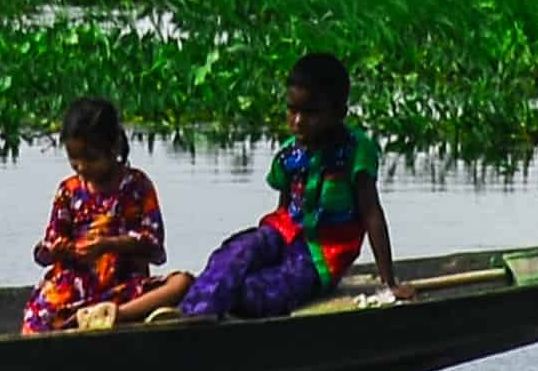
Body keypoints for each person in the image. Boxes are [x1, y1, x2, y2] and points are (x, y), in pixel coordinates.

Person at [169, 52, 396, 323]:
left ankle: (204, 316)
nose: (298, 121)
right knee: (235, 253)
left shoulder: (357, 151)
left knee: (254, 294)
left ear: (338, 113)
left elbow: (372, 214)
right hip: (284, 234)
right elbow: (283, 210)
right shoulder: (289, 154)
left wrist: (388, 283)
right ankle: (190, 316)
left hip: (321, 256)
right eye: (292, 110)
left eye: (310, 112)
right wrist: (266, 251)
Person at [21, 94, 170, 334]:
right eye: (74, 159)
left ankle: (113, 316)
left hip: (124, 289)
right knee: (43, 308)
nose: (81, 167)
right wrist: (55, 250)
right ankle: (83, 319)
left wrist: (109, 245)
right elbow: (44, 252)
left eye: (90, 159)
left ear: (113, 149)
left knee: (182, 282)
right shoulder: (68, 192)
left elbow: (155, 248)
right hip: (74, 290)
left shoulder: (137, 186)